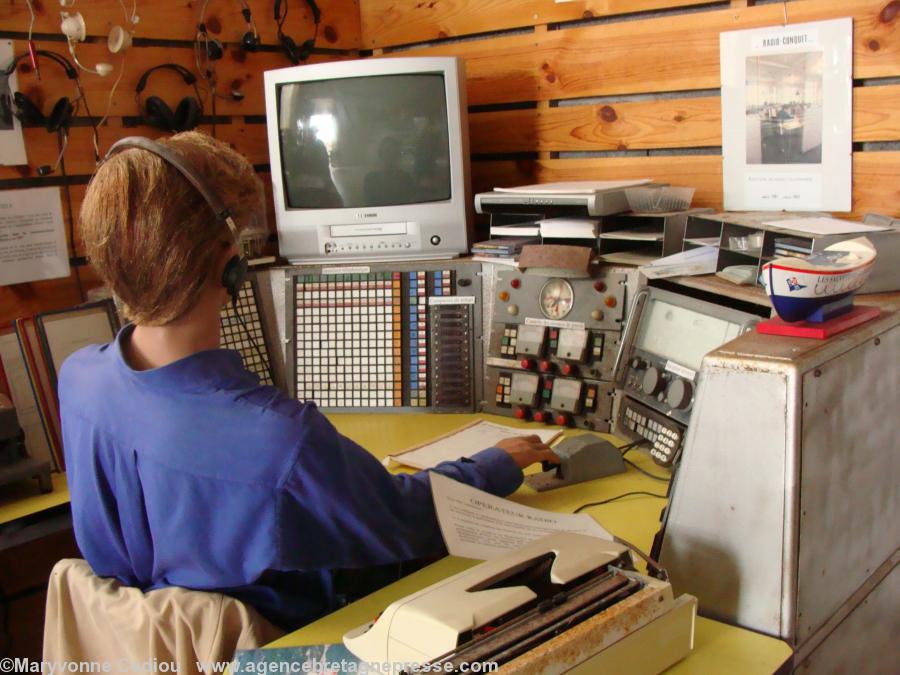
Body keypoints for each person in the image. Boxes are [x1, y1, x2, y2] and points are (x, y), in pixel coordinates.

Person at [61, 131, 558, 631]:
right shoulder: (278, 439)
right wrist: (495, 466)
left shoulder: (78, 379)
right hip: (286, 645)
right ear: (228, 264)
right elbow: (406, 520)